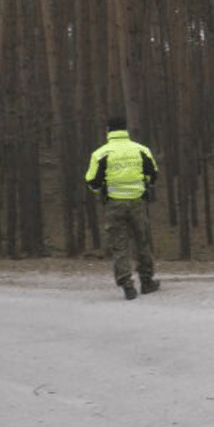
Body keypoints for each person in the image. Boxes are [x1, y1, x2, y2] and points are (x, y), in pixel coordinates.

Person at [85, 115, 160, 300]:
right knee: (142, 242)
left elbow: (91, 180)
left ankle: (127, 285)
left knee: (120, 246)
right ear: (125, 129)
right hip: (137, 202)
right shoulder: (141, 150)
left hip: (114, 204)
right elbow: (153, 174)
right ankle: (147, 281)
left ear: (108, 131)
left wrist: (101, 190)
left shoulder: (101, 153)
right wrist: (143, 186)